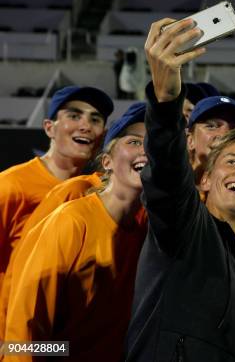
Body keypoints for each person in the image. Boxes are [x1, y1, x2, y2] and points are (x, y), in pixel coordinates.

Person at [124, 17, 235, 361]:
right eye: (232, 162)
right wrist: (166, 101)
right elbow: (167, 174)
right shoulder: (185, 228)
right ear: (205, 180)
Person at [4, 102, 148, 362]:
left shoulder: (147, 230)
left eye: (154, 145)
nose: (147, 151)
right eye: (135, 142)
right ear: (107, 161)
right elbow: (22, 337)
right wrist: (70, 352)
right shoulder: (71, 220)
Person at [0, 86, 113, 290]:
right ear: (49, 127)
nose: (86, 126)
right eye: (74, 116)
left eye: (95, 119)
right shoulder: (11, 185)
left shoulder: (100, 191)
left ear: (103, 135)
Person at [187, 95, 235, 177]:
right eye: (211, 126)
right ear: (190, 141)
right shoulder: (168, 184)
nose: (224, 134)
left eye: (234, 129)